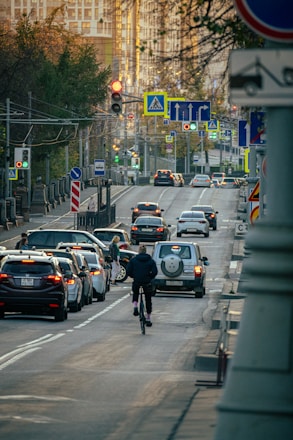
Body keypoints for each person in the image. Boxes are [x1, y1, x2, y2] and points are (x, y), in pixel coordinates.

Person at [126, 244, 158, 327]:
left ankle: (135, 306)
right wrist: (150, 277)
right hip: (147, 281)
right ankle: (148, 318)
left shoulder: (134, 260)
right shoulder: (150, 260)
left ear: (139, 251)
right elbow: (155, 271)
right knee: (148, 298)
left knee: (135, 292)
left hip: (137, 281)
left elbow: (128, 271)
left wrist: (134, 276)